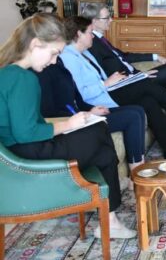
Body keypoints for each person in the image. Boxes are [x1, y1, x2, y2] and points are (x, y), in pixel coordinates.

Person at [0, 13, 135, 239]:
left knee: (101, 145)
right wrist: (69, 124)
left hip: (12, 155)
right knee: (98, 133)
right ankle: (110, 219)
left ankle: (110, 219)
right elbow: (26, 133)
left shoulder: (7, 73)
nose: (54, 61)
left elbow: (25, 124)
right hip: (24, 155)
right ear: (35, 44)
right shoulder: (24, 78)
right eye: (54, 53)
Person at [59, 16, 166, 159]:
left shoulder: (84, 53)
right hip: (99, 100)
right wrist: (106, 83)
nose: (93, 36)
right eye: (90, 32)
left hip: (108, 91)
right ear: (79, 34)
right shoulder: (69, 58)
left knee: (148, 101)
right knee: (143, 85)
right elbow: (82, 94)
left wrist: (117, 80)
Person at [81, 3, 166, 125]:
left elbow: (124, 56)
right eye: (107, 18)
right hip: (134, 84)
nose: (111, 20)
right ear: (94, 21)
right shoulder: (92, 43)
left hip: (138, 76)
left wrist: (154, 56)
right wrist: (138, 76)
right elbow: (109, 72)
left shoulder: (101, 40)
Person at [36, 58, 147, 171]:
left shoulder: (58, 62)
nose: (55, 58)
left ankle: (141, 167)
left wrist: (91, 109)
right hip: (72, 122)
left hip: (84, 115)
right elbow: (50, 113)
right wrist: (88, 113)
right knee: (131, 117)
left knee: (137, 110)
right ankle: (136, 173)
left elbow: (77, 98)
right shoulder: (42, 72)